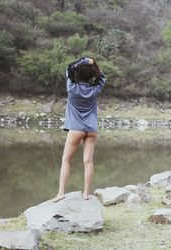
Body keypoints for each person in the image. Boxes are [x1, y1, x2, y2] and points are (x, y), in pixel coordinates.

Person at [52, 57, 105, 202]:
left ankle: (61, 193)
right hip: (92, 129)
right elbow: (102, 76)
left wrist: (84, 61)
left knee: (66, 160)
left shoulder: (71, 88)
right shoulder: (95, 89)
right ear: (91, 75)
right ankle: (86, 194)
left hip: (76, 129)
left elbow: (69, 67)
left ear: (77, 74)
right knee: (88, 161)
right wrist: (94, 64)